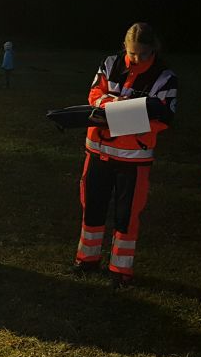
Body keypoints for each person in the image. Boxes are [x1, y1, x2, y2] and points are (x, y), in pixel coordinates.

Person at [72, 22, 177, 288]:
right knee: (92, 207)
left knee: (127, 214)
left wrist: (115, 117)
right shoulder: (109, 63)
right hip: (97, 152)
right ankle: (86, 259)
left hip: (133, 159)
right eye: (132, 53)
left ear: (154, 49)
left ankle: (120, 270)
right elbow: (94, 94)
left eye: (143, 54)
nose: (137, 59)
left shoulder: (164, 77)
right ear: (124, 47)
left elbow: (162, 118)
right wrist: (118, 107)